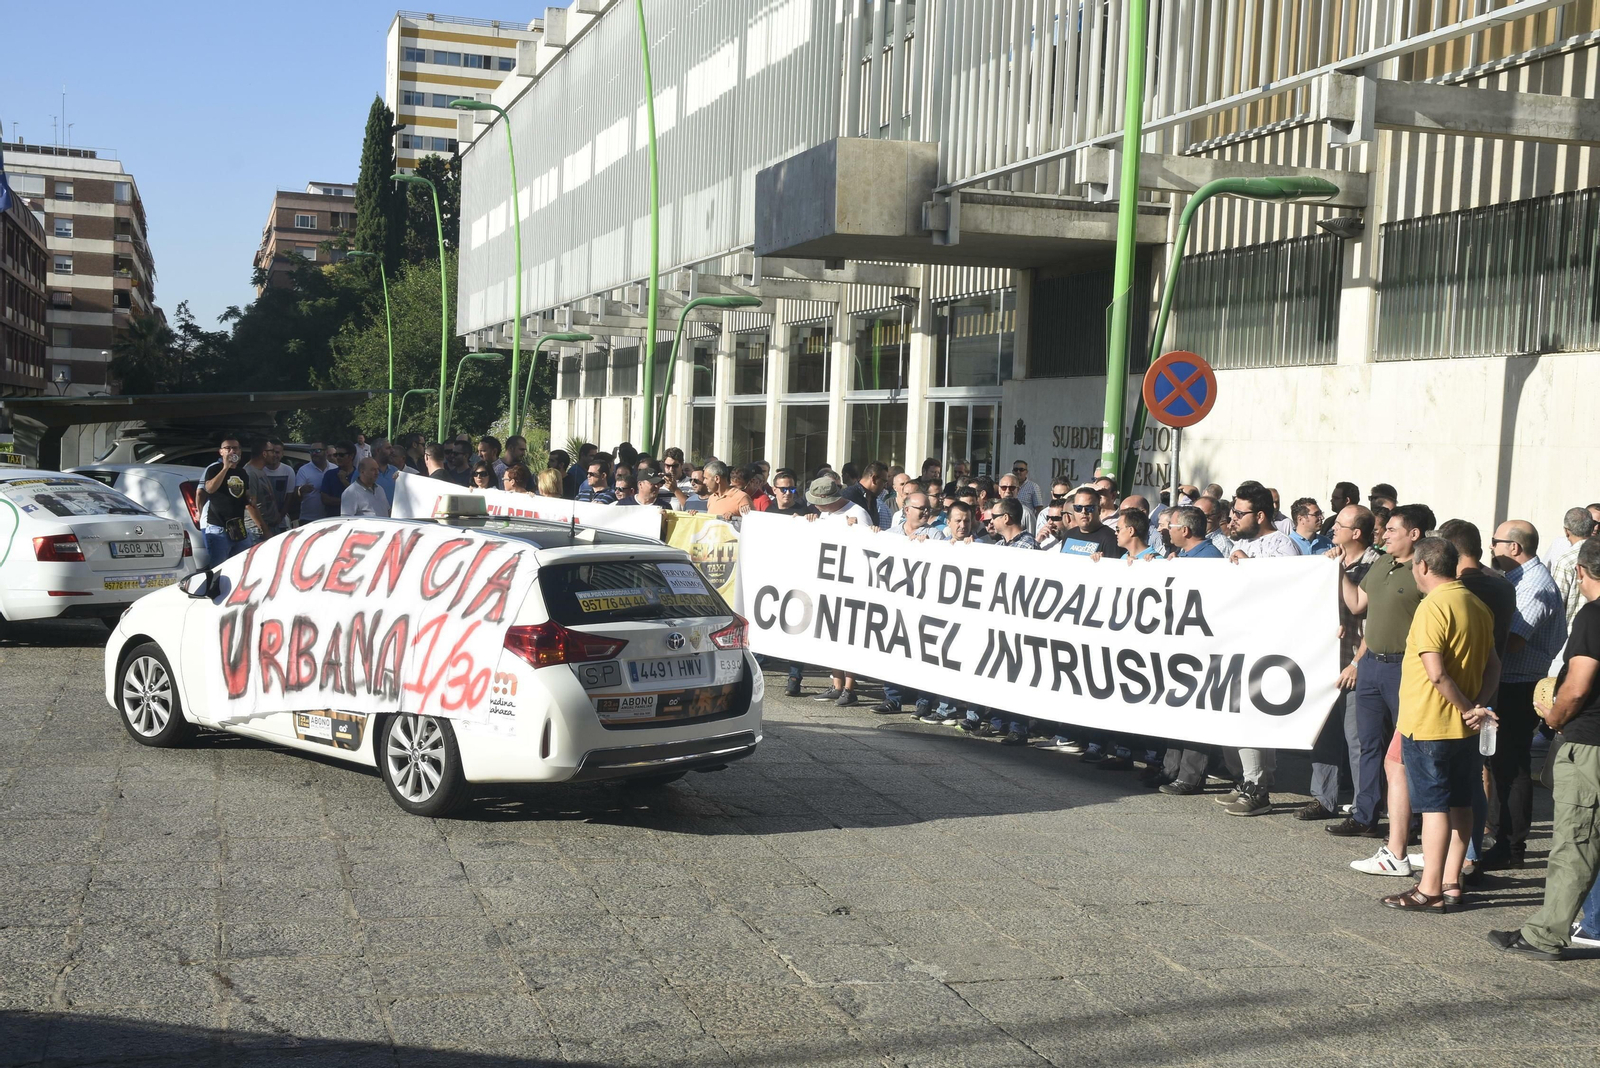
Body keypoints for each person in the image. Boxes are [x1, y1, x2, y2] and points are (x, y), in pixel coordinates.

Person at [1491, 539, 1600, 957]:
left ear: (1580, 572)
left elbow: (1577, 685)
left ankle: (1545, 934)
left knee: (1574, 843)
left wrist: (1553, 717)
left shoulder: (1594, 614)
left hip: (1588, 741)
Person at [1378, 537, 1498, 913]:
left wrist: (1466, 707)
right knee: (1462, 804)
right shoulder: (1476, 604)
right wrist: (1479, 706)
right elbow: (1494, 663)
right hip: (1466, 728)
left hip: (1430, 723)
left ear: (1424, 567)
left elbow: (1436, 673)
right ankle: (1452, 882)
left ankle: (1428, 889)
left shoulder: (1432, 607)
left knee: (1434, 808)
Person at [1329, 504, 1433, 840]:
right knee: (1369, 744)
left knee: (1407, 746)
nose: (1383, 534)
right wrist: (1339, 571)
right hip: (1372, 664)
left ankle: (1413, 820)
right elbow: (1358, 605)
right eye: (1383, 529)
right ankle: (1365, 815)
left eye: (1391, 530)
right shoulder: (1382, 562)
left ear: (1414, 535)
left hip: (1405, 667)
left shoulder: (1423, 570)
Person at [1481, 519, 1568, 870]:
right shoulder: (1517, 580)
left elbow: (1514, 640)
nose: (1492, 548)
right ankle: (1501, 835)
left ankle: (1511, 845)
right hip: (1510, 681)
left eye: (1496, 542)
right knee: (1501, 763)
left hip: (1518, 685)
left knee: (1512, 766)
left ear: (1514, 548)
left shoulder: (1532, 585)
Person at [1301, 506, 1380, 822]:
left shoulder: (1376, 567)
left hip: (1353, 664)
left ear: (1357, 533)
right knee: (1323, 734)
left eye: (1339, 525)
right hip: (1324, 663)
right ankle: (1324, 798)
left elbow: (1373, 622)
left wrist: (1357, 664)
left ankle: (1364, 808)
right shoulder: (1329, 559)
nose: (1332, 528)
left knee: (1358, 741)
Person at [804, 476, 873, 706]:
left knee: (849, 638)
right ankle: (837, 684)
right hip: (829, 585)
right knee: (832, 636)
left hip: (852, 587)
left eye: (817, 502)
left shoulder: (858, 514)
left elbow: (869, 548)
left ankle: (850, 688)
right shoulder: (827, 514)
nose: (814, 506)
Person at [197, 435, 268, 563]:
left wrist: (249, 499)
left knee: (243, 563)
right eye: (228, 448)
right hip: (218, 527)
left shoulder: (242, 473)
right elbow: (209, 489)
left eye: (235, 448)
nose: (232, 451)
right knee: (219, 566)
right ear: (221, 452)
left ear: (240, 451)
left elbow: (245, 495)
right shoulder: (214, 469)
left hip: (238, 527)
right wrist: (226, 468)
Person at [1551, 506, 1598, 669]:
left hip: (1570, 640)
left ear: (1566, 531)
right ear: (1592, 527)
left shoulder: (1565, 560)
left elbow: (1557, 604)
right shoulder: (1595, 554)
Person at [1228, 487, 1302, 560]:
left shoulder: (1284, 546)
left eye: (1239, 513)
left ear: (1260, 516)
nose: (1234, 517)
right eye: (1234, 512)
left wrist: (1247, 564)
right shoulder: (1240, 543)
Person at [1059, 486, 1123, 558]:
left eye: (1089, 508)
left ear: (1098, 510)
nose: (1083, 512)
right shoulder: (1069, 535)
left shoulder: (1111, 539)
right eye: (1078, 508)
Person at [243, 438, 288, 537]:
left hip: (270, 527)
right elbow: (250, 505)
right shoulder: (250, 473)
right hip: (257, 531)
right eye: (272, 451)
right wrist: (265, 529)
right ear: (264, 454)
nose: (275, 455)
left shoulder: (260, 470)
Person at [293, 442, 333, 525]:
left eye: (318, 451)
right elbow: (296, 494)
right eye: (311, 451)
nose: (314, 454)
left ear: (326, 452)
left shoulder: (334, 468)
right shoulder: (303, 470)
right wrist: (301, 490)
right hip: (309, 520)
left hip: (330, 519)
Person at [842, 462, 888, 530]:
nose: (885, 486)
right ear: (874, 479)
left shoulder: (873, 500)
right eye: (884, 481)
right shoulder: (848, 495)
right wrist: (845, 522)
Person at [318, 444, 357, 515]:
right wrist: (347, 501)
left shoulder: (360, 475)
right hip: (333, 519)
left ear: (351, 456)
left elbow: (360, 497)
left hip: (354, 519)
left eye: (341, 455)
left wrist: (344, 481)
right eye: (336, 455)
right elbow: (325, 499)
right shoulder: (329, 474)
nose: (338, 457)